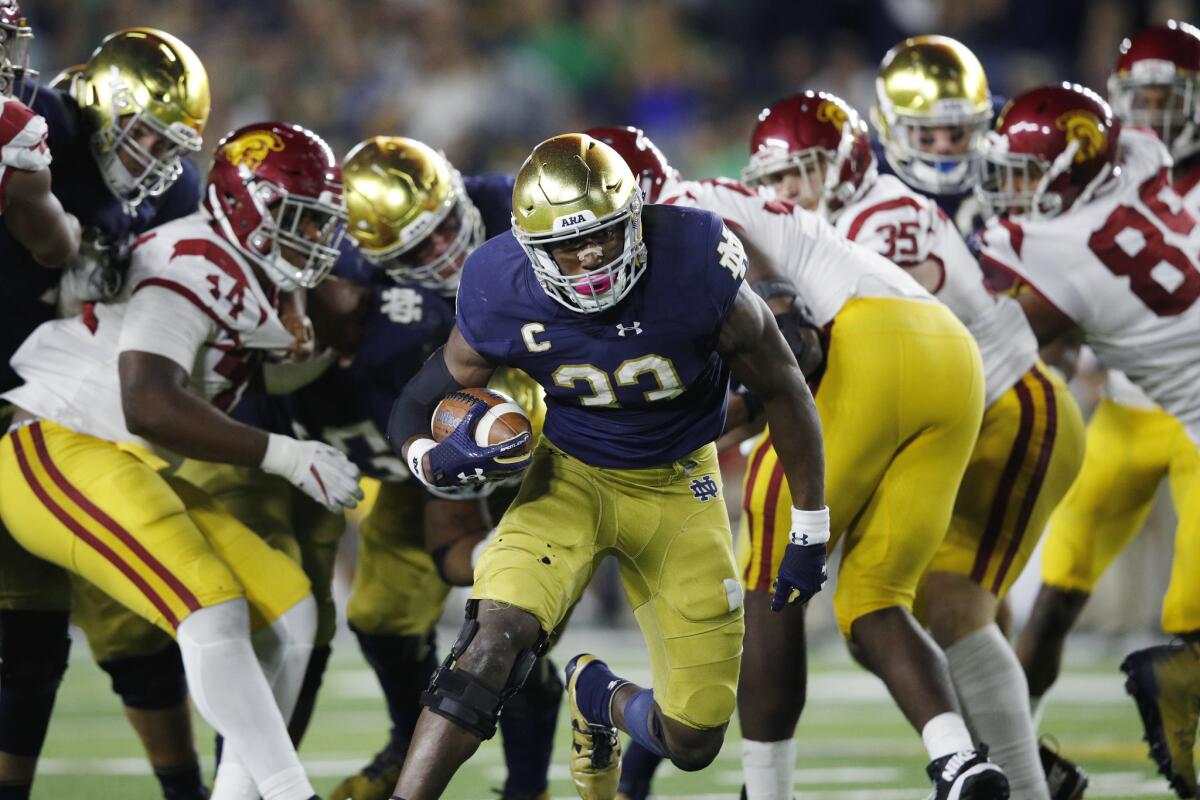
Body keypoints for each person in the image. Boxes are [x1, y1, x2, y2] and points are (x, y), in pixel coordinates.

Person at [384, 132, 828, 800]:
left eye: (604, 234)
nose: (590, 255)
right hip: (571, 477)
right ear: (531, 249)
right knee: (492, 640)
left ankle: (596, 694)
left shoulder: (694, 262)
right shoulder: (497, 285)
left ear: (636, 218)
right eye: (568, 243)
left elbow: (785, 387)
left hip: (682, 484)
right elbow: (418, 403)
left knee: (695, 738)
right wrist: (429, 460)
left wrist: (811, 527)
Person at [592, 125, 1005, 800]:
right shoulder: (712, 208)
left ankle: (766, 789)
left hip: (862, 343)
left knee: (768, 581)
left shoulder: (683, 219)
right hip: (949, 357)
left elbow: (791, 340)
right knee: (874, 600)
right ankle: (958, 761)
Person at [739, 91, 1087, 800]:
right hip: (950, 416)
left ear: (846, 162)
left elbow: (853, 358)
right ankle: (994, 760)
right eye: (770, 180)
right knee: (879, 613)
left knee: (950, 602)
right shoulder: (834, 226)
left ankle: (1023, 782)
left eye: (797, 174)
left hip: (1006, 410)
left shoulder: (878, 221)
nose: (782, 194)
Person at [0, 121, 362, 800]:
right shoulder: (195, 255)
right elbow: (148, 400)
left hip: (119, 459)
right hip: (57, 442)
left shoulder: (249, 278)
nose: (313, 241)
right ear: (241, 202)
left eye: (321, 225)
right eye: (298, 220)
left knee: (292, 610)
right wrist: (285, 454)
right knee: (213, 611)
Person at [975, 82, 1200, 800]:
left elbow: (996, 353)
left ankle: (1179, 679)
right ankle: (1018, 756)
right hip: (1136, 414)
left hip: (1184, 413)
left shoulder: (1048, 250)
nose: (1009, 187)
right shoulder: (1139, 157)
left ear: (1071, 167)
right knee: (1059, 599)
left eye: (1023, 171)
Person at [0, 26, 209, 800]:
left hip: (86, 416)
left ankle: (185, 789)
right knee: (22, 631)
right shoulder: (32, 125)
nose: (159, 157)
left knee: (136, 624)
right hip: (8, 404)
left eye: (173, 143)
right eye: (149, 133)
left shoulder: (172, 188)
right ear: (103, 106)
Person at [871, 35, 996, 233]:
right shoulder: (872, 177)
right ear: (889, 127)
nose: (943, 146)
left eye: (956, 135)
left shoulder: (999, 156)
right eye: (926, 137)